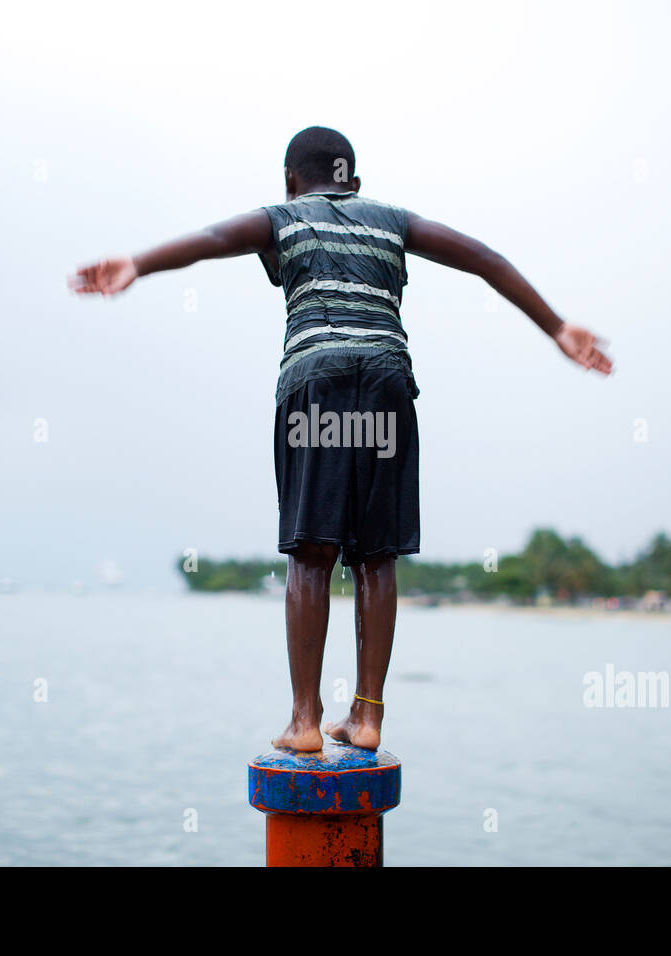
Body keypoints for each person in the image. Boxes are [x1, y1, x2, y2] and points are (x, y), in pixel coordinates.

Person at [71, 126, 612, 751]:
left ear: (290, 181)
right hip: (385, 385)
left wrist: (138, 263)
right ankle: (367, 715)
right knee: (375, 557)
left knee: (310, 553)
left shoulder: (283, 216)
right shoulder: (393, 220)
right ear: (353, 181)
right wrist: (556, 327)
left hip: (317, 386)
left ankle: (304, 720)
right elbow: (483, 258)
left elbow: (216, 239)